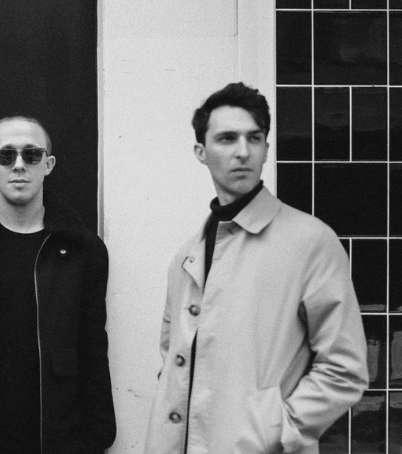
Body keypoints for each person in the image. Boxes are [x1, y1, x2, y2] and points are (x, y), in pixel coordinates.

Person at [145, 82, 369, 453]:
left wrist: (274, 431)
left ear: (267, 147)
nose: (243, 152)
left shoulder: (309, 242)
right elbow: (174, 360)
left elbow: (344, 368)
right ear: (201, 152)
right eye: (227, 139)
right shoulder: (187, 257)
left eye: (255, 138)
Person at [0, 115, 116, 453]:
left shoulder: (83, 252)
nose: (19, 165)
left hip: (60, 444)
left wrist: (96, 438)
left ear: (49, 164)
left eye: (31, 155)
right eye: (6, 155)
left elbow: (93, 350)